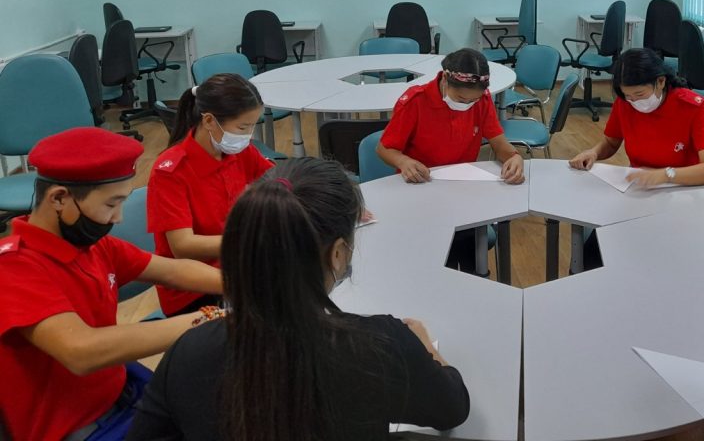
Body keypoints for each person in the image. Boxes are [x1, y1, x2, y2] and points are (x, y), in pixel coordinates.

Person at [127, 158, 471, 441]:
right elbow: (452, 408)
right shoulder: (380, 346)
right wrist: (427, 349)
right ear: (338, 253)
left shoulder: (188, 352)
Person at [0, 127, 223, 441]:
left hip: (120, 393)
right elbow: (82, 351)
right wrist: (214, 317)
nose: (118, 218)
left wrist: (245, 285)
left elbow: (173, 271)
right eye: (111, 204)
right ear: (59, 198)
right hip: (79, 428)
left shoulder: (91, 246)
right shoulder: (13, 267)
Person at [376, 48, 525, 272]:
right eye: (461, 98)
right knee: (434, 257)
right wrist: (404, 162)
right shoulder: (416, 101)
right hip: (420, 189)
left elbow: (499, 143)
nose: (466, 104)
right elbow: (384, 148)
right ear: (445, 79)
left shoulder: (481, 100)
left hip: (461, 191)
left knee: (469, 247)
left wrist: (514, 157)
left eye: (472, 100)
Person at [147, 73, 274, 315]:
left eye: (252, 126)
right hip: (192, 290)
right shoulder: (171, 172)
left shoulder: (237, 152)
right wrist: (250, 239)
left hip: (233, 267)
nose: (248, 135)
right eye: (243, 127)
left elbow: (278, 179)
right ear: (208, 121)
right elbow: (183, 246)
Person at [569, 48, 704, 188]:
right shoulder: (625, 103)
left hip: (683, 188)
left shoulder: (693, 107)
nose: (634, 101)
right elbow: (611, 143)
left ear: (660, 82)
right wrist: (594, 152)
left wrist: (665, 175)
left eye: (640, 94)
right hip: (641, 186)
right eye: (628, 95)